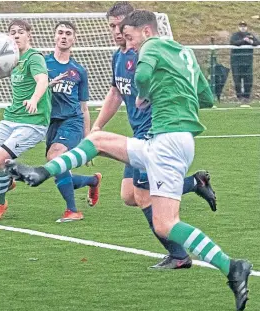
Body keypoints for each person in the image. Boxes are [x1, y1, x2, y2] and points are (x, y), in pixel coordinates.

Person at [6, 10, 252, 311]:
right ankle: (42, 171)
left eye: (132, 37)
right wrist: (172, 95)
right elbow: (205, 98)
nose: (130, 44)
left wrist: (144, 94)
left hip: (165, 141)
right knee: (102, 147)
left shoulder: (151, 46)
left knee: (164, 221)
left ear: (146, 31)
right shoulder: (184, 52)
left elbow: (144, 76)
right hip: (178, 141)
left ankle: (231, 267)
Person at [90, 1, 217, 270]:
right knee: (129, 196)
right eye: (112, 27)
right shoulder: (119, 56)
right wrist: (97, 126)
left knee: (145, 196)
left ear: (137, 27)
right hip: (138, 134)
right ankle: (194, 184)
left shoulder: (149, 52)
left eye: (121, 27)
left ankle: (179, 255)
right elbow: (116, 92)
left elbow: (161, 82)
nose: (117, 32)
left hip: (156, 133)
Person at [0, 19, 50, 221]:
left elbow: (42, 80)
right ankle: (7, 181)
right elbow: (10, 71)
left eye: (20, 32)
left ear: (29, 35)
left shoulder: (34, 58)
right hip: (11, 119)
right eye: (12, 33)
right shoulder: (13, 58)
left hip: (32, 122)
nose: (16, 35)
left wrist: (35, 99)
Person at [45, 21, 102, 223]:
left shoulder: (78, 71)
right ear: (54, 36)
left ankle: (73, 211)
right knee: (57, 168)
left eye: (68, 33)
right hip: (51, 123)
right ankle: (92, 181)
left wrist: (87, 140)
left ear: (74, 39)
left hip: (73, 121)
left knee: (56, 156)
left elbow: (84, 107)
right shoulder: (43, 64)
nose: (64, 36)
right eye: (60, 32)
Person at [230, 21, 259, 102]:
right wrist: (244, 40)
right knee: (237, 80)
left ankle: (247, 97)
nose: (243, 27)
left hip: (248, 62)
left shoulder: (250, 35)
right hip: (236, 62)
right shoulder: (235, 35)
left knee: (248, 80)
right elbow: (234, 42)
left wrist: (251, 42)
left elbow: (257, 42)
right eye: (241, 26)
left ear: (246, 27)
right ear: (238, 27)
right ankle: (239, 97)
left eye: (244, 26)